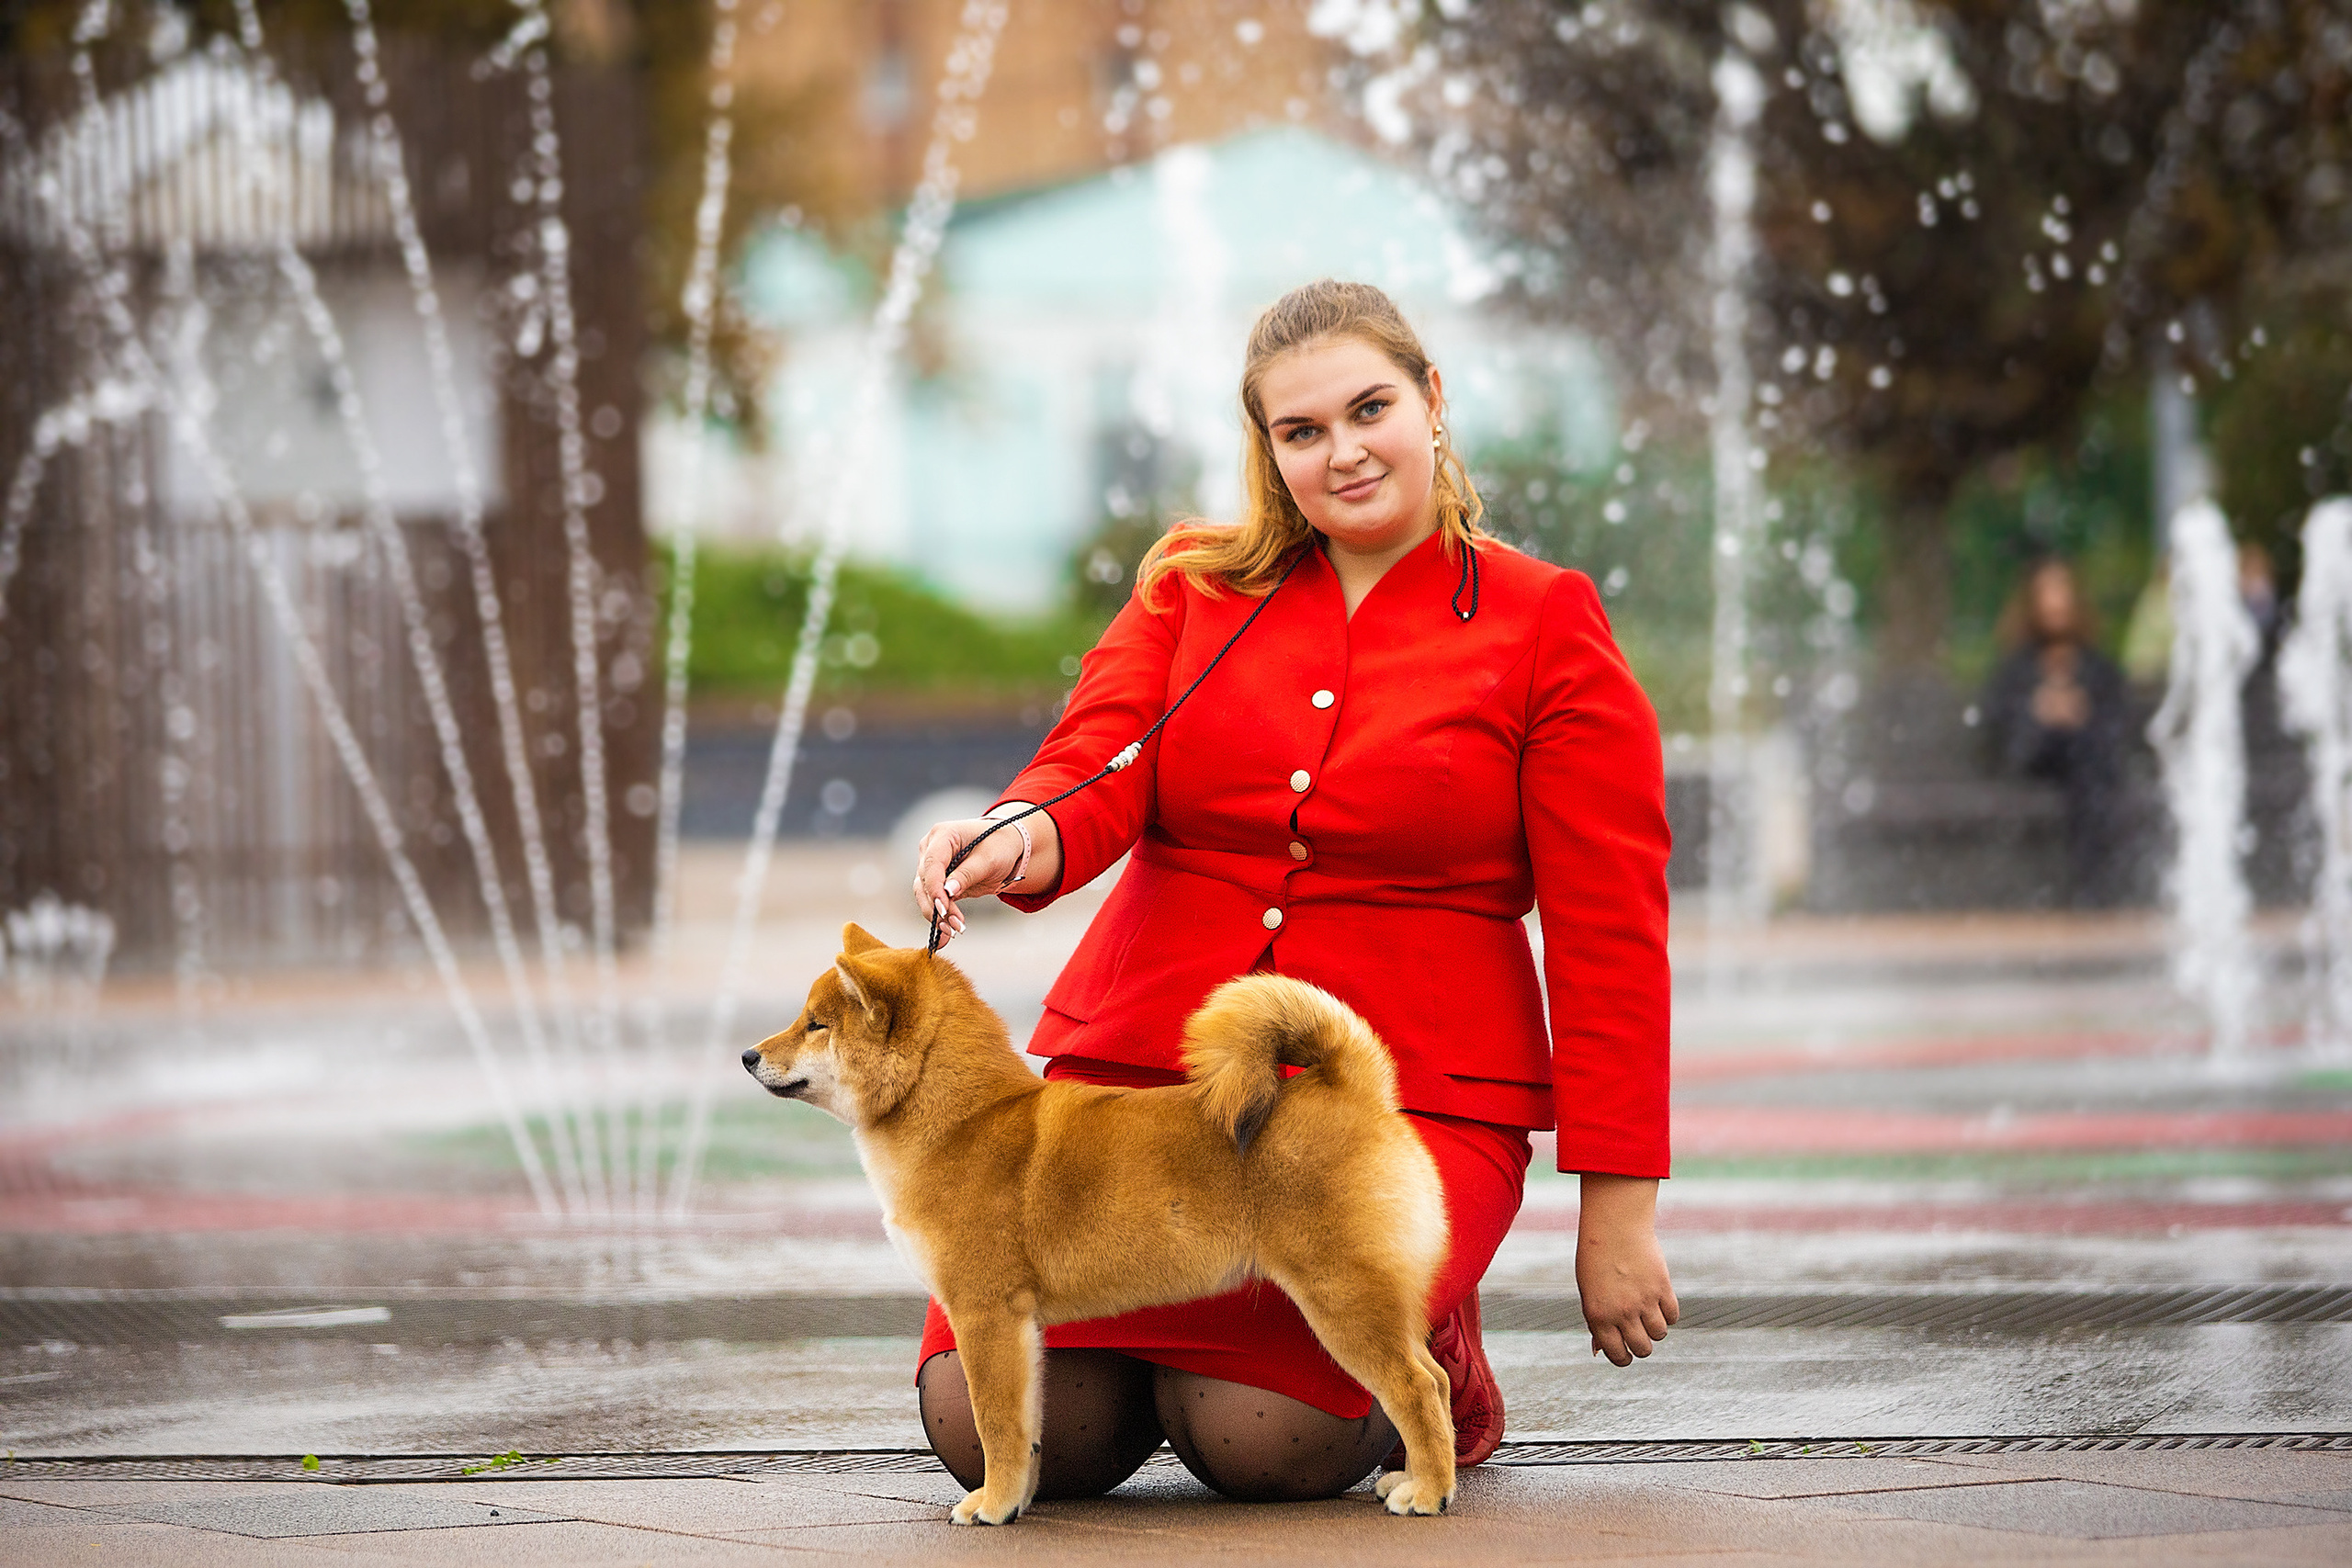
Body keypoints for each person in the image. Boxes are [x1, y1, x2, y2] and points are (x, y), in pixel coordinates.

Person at [908, 279, 1677, 1504]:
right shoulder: (1193, 586)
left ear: (1431, 398)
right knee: (990, 1422)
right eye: (1301, 430)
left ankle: (1445, 1356)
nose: (1343, 451)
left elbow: (1611, 934)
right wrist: (1014, 830)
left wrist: (1616, 1213)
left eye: (1369, 408)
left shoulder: (1547, 621)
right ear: (1267, 449)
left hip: (1403, 1096)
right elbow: (1096, 765)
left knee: (1266, 1442)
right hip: (1144, 1073)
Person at [1983, 556, 2129, 907]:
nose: (2056, 603)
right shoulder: (2016, 668)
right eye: (2047, 593)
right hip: (2033, 759)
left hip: (2086, 766)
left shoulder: (2097, 666)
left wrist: (2079, 713)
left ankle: (2090, 891)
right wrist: (2040, 711)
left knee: (2088, 765)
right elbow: (1996, 725)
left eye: (2062, 592)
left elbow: (2118, 722)